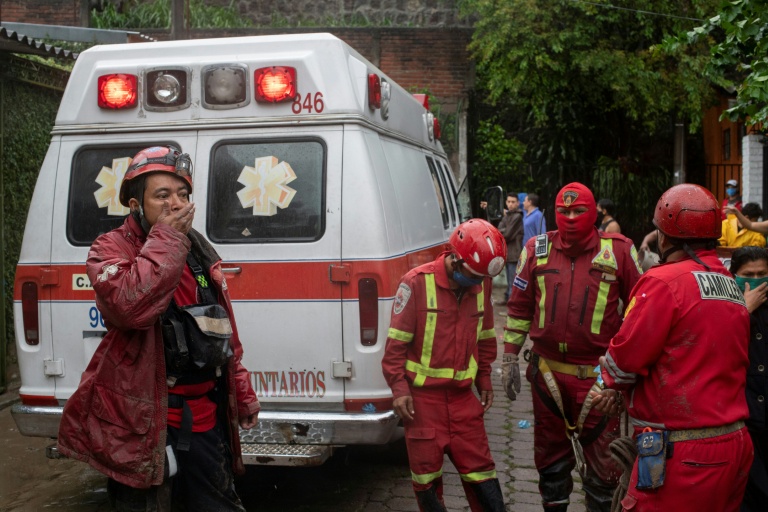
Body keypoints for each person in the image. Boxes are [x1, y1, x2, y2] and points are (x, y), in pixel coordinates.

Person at [57, 146, 260, 511]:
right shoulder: (110, 248)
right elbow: (129, 308)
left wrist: (240, 386)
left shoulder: (197, 248)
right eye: (162, 195)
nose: (176, 204)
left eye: (182, 194)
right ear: (135, 204)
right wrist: (168, 239)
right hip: (143, 430)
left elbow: (220, 324)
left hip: (204, 421)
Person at [592, 183, 753, 512]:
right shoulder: (730, 284)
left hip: (683, 454)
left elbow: (623, 361)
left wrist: (606, 384)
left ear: (664, 237)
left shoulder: (663, 282)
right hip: (735, 444)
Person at [502, 182, 642, 512]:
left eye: (579, 211)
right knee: (550, 462)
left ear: (593, 213)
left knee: (604, 468)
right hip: (547, 375)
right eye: (564, 211)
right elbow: (520, 306)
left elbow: (640, 309)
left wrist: (625, 373)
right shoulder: (536, 248)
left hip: (598, 381)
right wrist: (509, 356)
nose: (571, 217)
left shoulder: (620, 250)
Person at [382, 218, 507, 512]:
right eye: (474, 276)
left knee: (483, 475)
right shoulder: (415, 283)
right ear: (454, 257)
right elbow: (395, 348)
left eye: (482, 279)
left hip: (464, 402)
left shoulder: (481, 284)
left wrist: (484, 378)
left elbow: (487, 336)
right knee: (427, 483)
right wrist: (399, 389)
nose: (478, 284)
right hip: (423, 405)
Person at [729, 246, 768, 512]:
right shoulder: (725, 307)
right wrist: (744, 311)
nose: (755, 280)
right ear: (734, 276)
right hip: (742, 423)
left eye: (762, 274)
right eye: (748, 275)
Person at [497, 192, 524, 304]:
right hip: (508, 253)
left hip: (514, 253)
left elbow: (507, 234)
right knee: (509, 279)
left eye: (513, 202)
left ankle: (512, 302)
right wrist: (503, 231)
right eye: (508, 202)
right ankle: (508, 298)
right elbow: (499, 230)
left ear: (518, 203)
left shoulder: (517, 216)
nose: (510, 204)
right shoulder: (508, 215)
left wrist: (503, 231)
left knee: (513, 280)